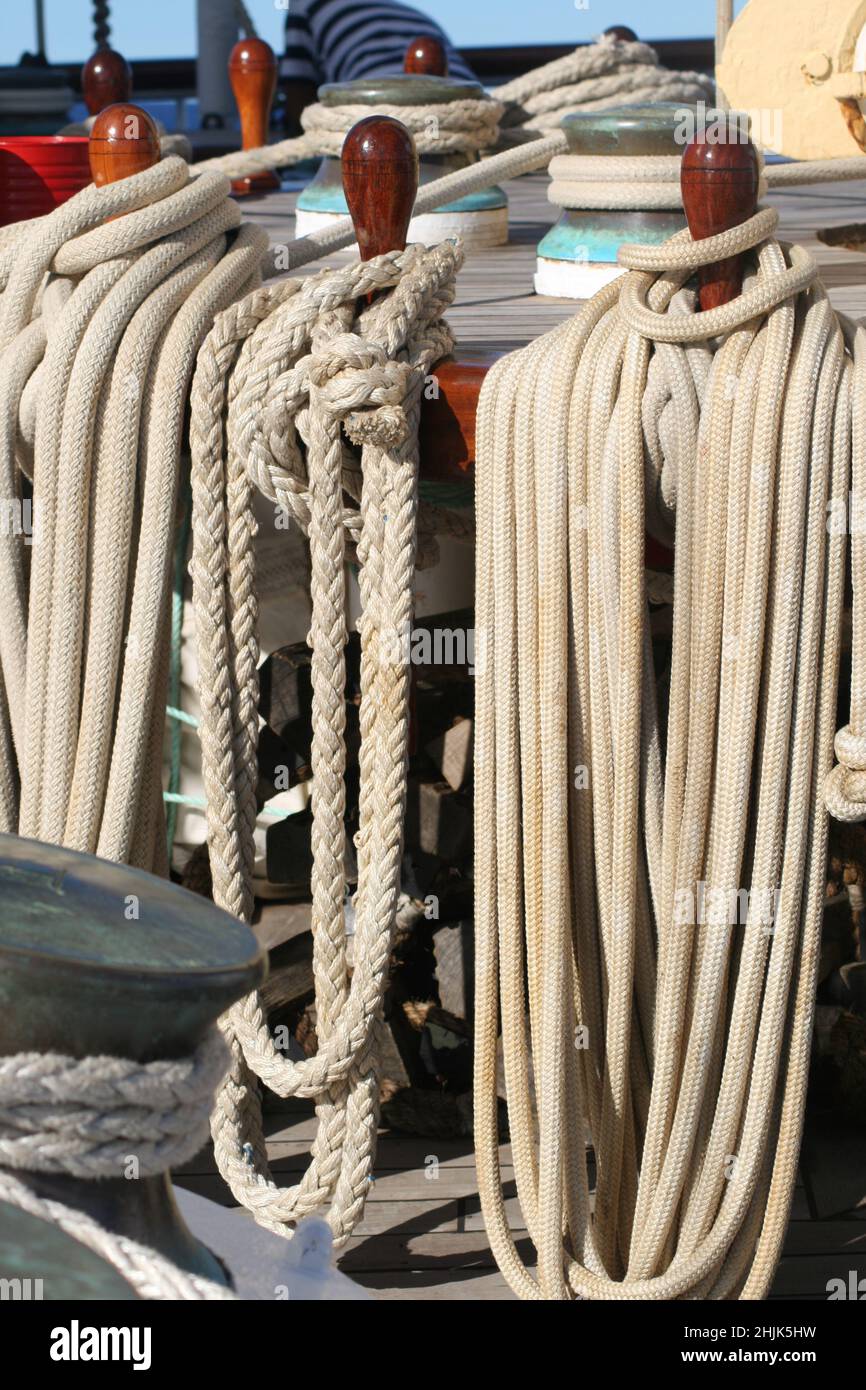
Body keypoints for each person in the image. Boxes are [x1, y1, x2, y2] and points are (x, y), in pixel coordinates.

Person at [280, 0, 477, 131]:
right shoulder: (413, 14)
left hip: (381, 114)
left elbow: (298, 102)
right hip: (469, 109)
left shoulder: (304, 5)